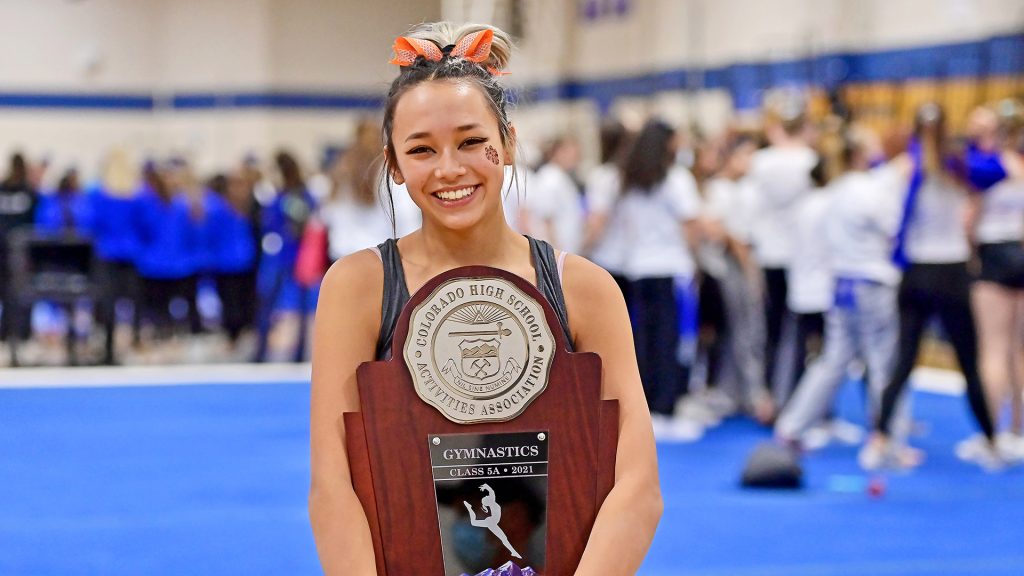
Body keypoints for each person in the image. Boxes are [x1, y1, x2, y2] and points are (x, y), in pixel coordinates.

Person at [309, 22, 661, 575]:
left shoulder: (584, 290)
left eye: (472, 142)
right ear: (395, 165)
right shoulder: (358, 288)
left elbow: (637, 483)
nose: (450, 168)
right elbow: (333, 485)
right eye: (421, 150)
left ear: (509, 144)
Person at [867, 103, 999, 469]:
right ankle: (990, 440)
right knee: (968, 361)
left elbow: (874, 185)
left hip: (918, 271)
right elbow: (999, 170)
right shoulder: (960, 165)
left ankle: (879, 438)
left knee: (903, 359)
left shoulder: (909, 167)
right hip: (949, 271)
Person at [618, 119, 703, 439]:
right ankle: (666, 408)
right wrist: (696, 261)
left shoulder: (629, 179)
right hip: (669, 268)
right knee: (669, 340)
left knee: (643, 340)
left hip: (638, 268)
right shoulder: (677, 179)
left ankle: (648, 407)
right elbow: (690, 224)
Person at [961, 104, 1024, 461]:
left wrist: (971, 254)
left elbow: (970, 219)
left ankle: (993, 436)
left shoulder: (990, 169)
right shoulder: (1019, 166)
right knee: (1017, 348)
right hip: (1018, 252)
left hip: (994, 253)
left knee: (993, 348)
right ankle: (1017, 428)